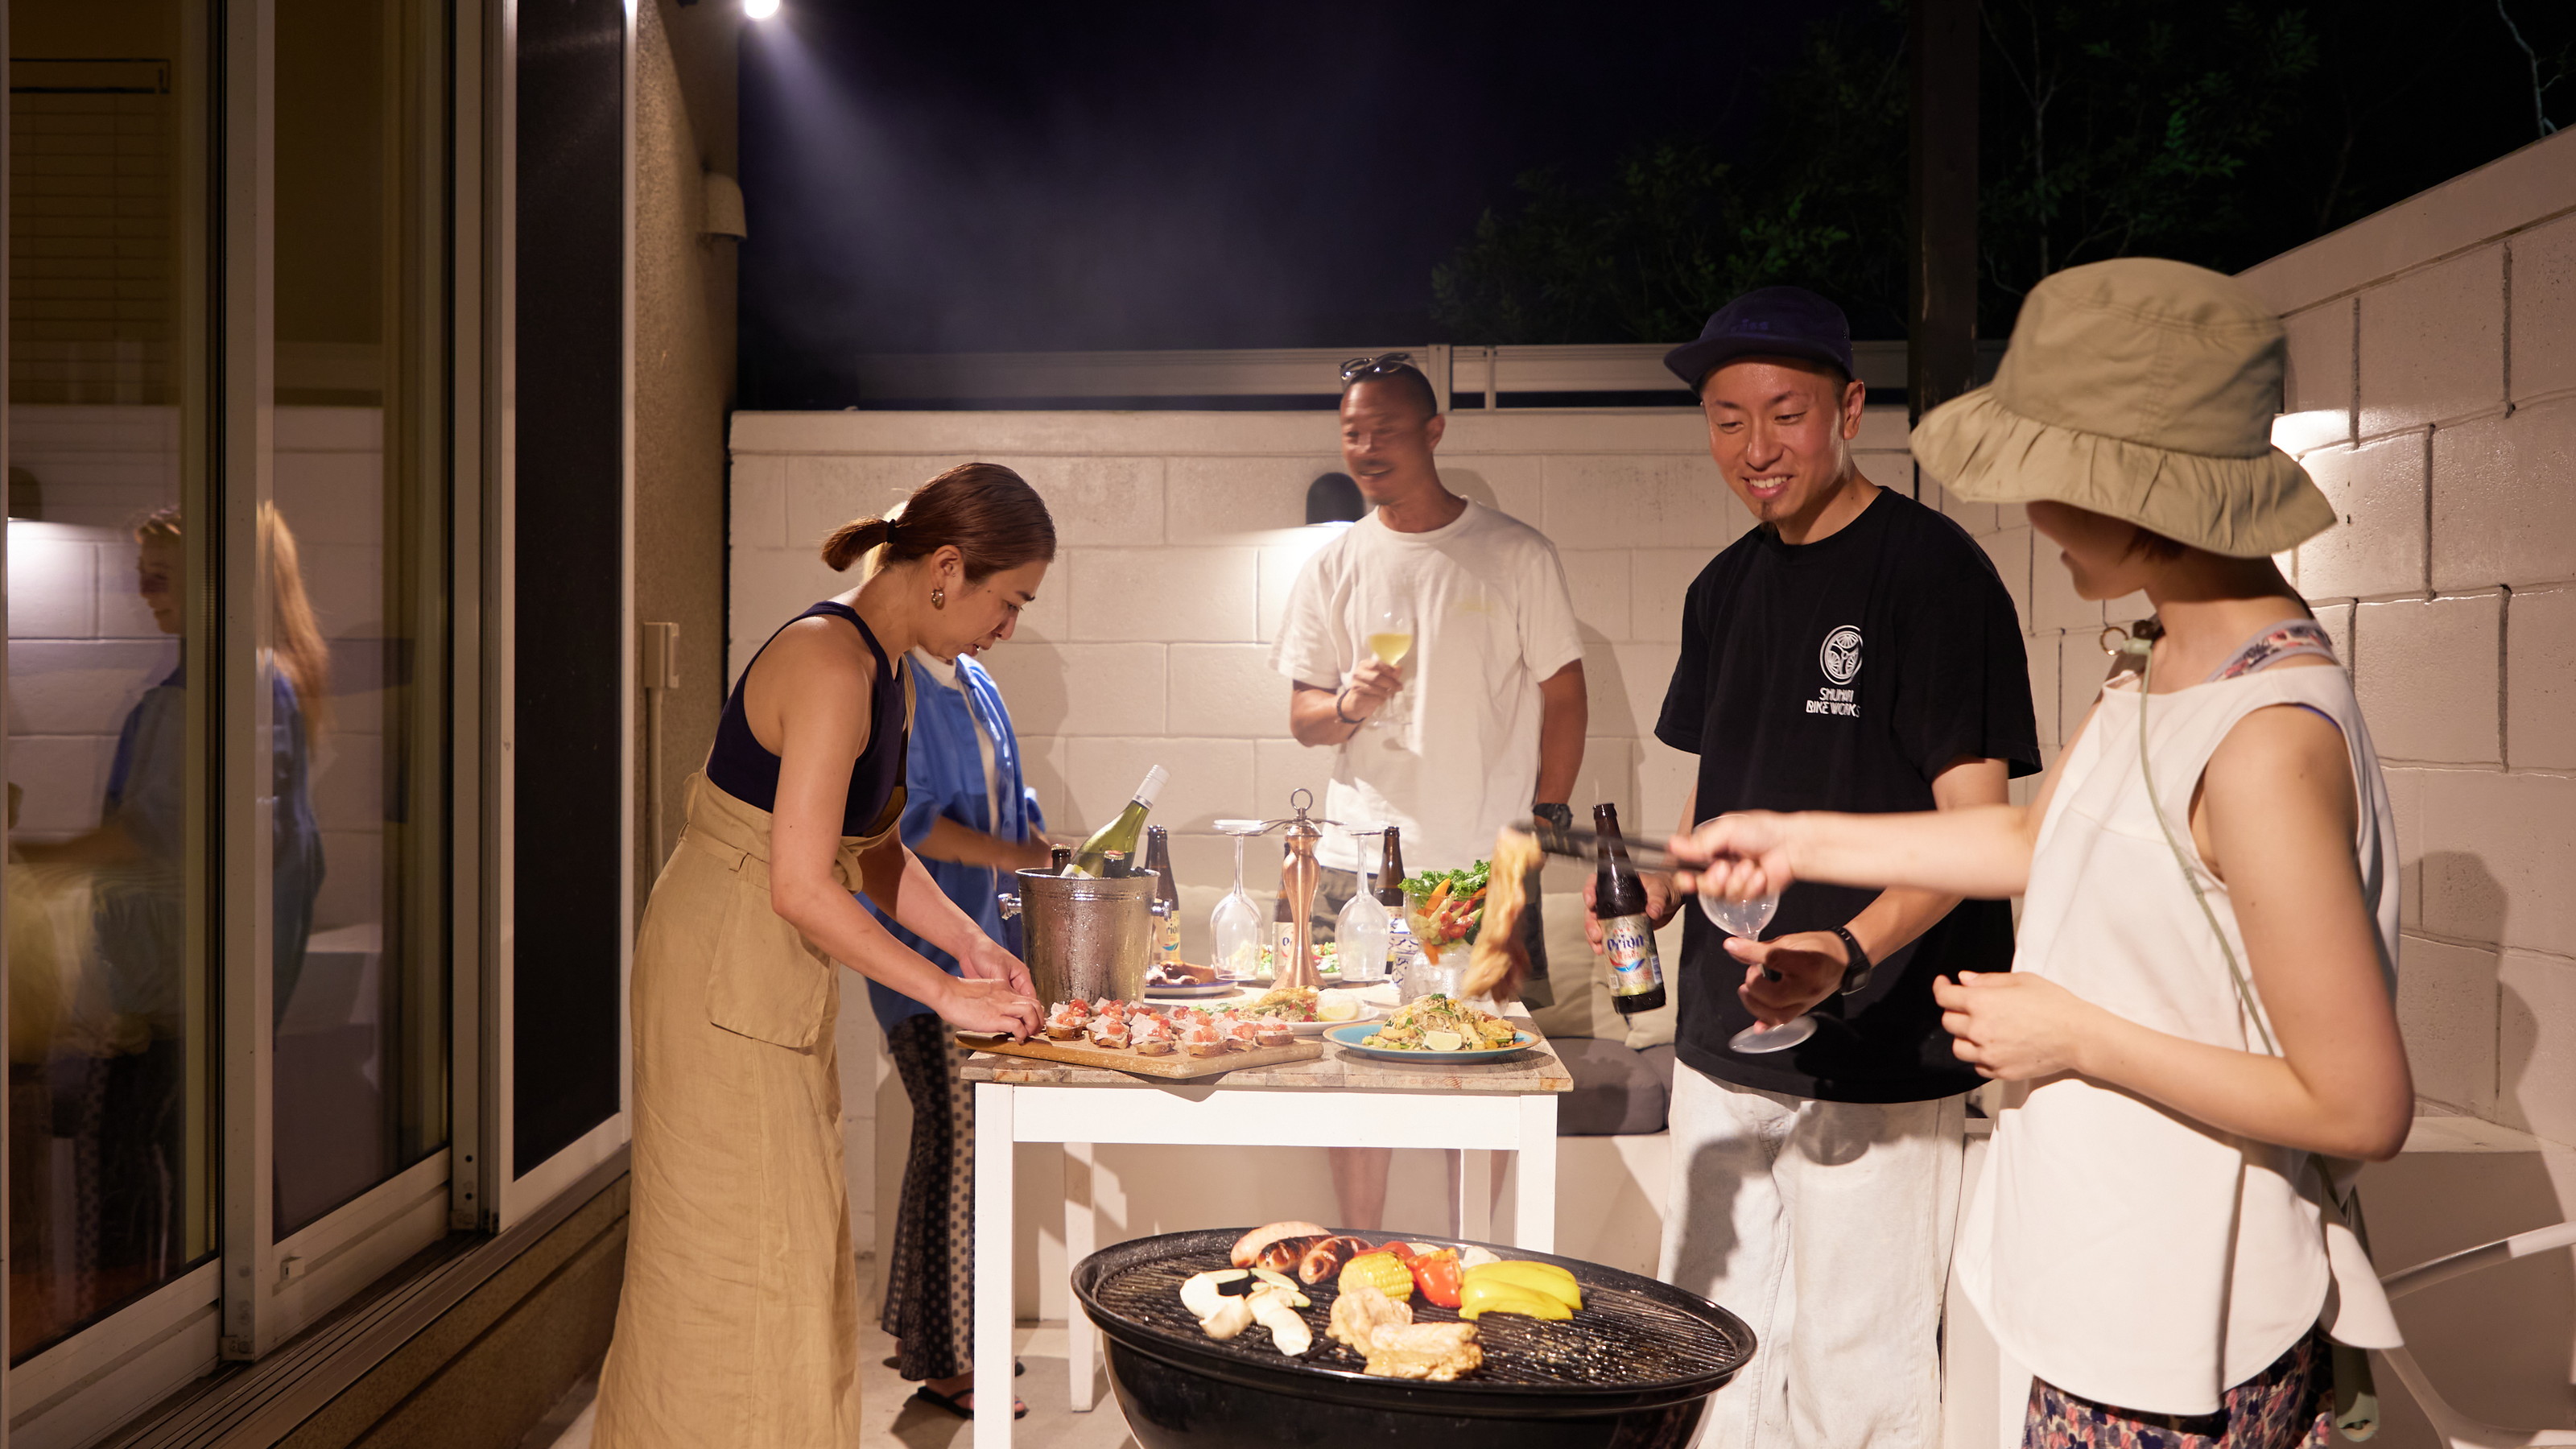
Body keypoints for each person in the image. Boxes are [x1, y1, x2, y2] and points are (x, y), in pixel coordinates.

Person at [1675, 258, 2410, 1449]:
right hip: (2107, 1284)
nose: (2030, 513)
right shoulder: (2159, 667)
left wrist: (2072, 1034)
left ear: (2135, 492)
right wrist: (1793, 837)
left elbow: (2360, 1102)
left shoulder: (2268, 736)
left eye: (2050, 479)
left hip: (2195, 1327)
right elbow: (2026, 835)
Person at [1602, 286, 2037, 1449]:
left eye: (1783, 414)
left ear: (1849, 407)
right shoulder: (1723, 589)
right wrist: (1663, 884)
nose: (1754, 449)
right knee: (1706, 1351)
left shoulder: (1934, 575)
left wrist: (1844, 949)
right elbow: (1717, 787)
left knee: (1859, 1368)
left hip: (1878, 1039)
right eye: (1726, 418)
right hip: (1720, 1033)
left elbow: (1979, 833)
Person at [592, 463, 1051, 1449]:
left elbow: (872, 848)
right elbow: (799, 886)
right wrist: (942, 996)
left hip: (761, 972)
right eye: (1007, 602)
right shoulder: (830, 662)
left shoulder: (890, 669)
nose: (1006, 628)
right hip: (721, 969)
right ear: (945, 568)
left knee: (788, 1262)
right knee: (741, 1268)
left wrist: (971, 945)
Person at [1272, 352, 1587, 1230]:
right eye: (1350, 433)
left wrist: (1544, 822)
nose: (1364, 447)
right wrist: (1344, 703)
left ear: (1434, 431)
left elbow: (1564, 695)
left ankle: (1470, 1257)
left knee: (1482, 1067)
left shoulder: (1514, 553)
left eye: (1384, 430)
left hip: (1484, 864)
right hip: (1354, 858)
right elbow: (1302, 715)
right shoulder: (1336, 563)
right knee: (1347, 1063)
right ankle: (1358, 1247)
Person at [18, 504, 325, 1311]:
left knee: (138, 1158)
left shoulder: (241, 691)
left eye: (159, 575)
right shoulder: (218, 687)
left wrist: (35, 862)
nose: (142, 591)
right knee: (210, 1163)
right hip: (178, 992)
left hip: (180, 999)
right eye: (141, 575)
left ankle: (131, 1329)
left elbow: (162, 832)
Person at [866, 632, 1055, 1421]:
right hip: (928, 966)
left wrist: (1037, 847)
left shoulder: (974, 681)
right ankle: (948, 1362)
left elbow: (1012, 803)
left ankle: (936, 1337)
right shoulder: (900, 685)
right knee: (957, 1148)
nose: (1006, 622)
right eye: (1003, 598)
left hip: (983, 955)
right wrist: (1011, 851)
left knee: (956, 1146)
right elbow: (904, 827)